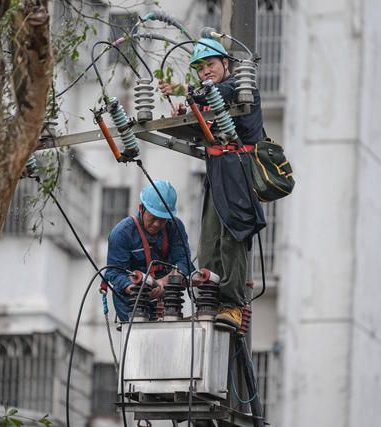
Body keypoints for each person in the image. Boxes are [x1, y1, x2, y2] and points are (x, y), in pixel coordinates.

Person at [159, 37, 266, 328]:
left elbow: (219, 92)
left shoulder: (241, 90)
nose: (206, 70)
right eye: (201, 67)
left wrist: (185, 91)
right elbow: (203, 121)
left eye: (211, 64)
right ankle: (209, 300)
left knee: (233, 237)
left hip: (240, 172)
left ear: (226, 64)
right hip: (217, 172)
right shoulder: (210, 97)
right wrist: (185, 114)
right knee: (209, 242)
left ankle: (232, 305)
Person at [104, 180, 192, 321]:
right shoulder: (122, 234)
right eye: (153, 218)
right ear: (141, 208)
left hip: (167, 303)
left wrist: (163, 283)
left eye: (162, 220)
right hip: (132, 304)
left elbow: (184, 262)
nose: (157, 224)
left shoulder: (175, 227)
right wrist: (135, 289)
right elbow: (114, 273)